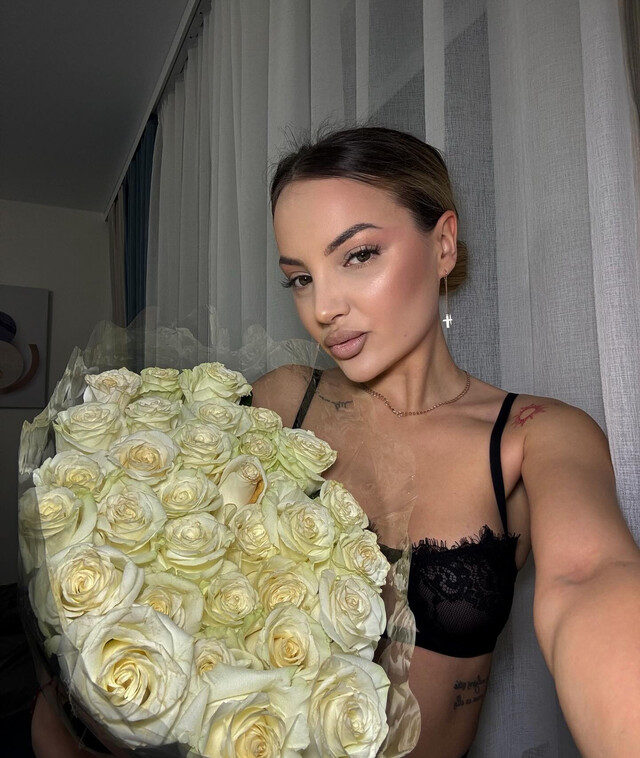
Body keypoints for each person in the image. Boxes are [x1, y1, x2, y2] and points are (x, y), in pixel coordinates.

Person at [250, 126, 640, 758]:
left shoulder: (531, 436)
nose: (323, 307)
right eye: (300, 278)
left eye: (358, 255)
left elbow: (589, 578)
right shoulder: (283, 403)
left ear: (443, 245)